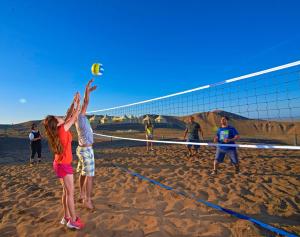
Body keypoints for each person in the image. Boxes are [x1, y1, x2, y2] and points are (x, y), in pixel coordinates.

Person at [43, 92, 84, 230]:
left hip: (58, 164)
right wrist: (79, 102)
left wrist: (73, 101)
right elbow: (75, 114)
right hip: (64, 165)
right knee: (70, 194)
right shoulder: (63, 129)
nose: (59, 116)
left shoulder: (60, 128)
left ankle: (66, 216)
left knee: (66, 192)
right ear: (57, 122)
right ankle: (72, 220)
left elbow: (69, 113)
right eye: (56, 117)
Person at [75, 79, 97, 210]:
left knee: (83, 173)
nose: (82, 107)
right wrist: (86, 89)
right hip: (86, 150)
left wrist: (87, 91)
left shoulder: (78, 117)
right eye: (79, 106)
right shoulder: (80, 117)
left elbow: (84, 102)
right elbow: (86, 101)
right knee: (89, 176)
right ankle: (87, 200)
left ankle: (82, 194)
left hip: (82, 149)